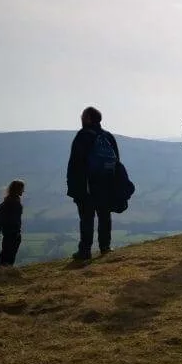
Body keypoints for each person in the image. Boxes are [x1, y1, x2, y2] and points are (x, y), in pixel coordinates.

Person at [66, 106, 120, 260]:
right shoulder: (108, 137)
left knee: (86, 219)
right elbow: (117, 162)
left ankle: (85, 250)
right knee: (104, 216)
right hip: (106, 184)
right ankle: (105, 247)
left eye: (83, 116)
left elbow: (75, 163)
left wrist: (73, 186)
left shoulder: (83, 136)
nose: (81, 118)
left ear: (88, 118)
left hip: (87, 186)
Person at [0, 180, 25, 267]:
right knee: (10, 255)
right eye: (22, 189)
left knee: (5, 253)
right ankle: (6, 272)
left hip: (7, 232)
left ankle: (0, 271)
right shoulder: (15, 203)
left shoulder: (8, 200)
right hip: (13, 233)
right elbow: (15, 219)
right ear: (18, 189)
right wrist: (16, 231)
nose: (23, 191)